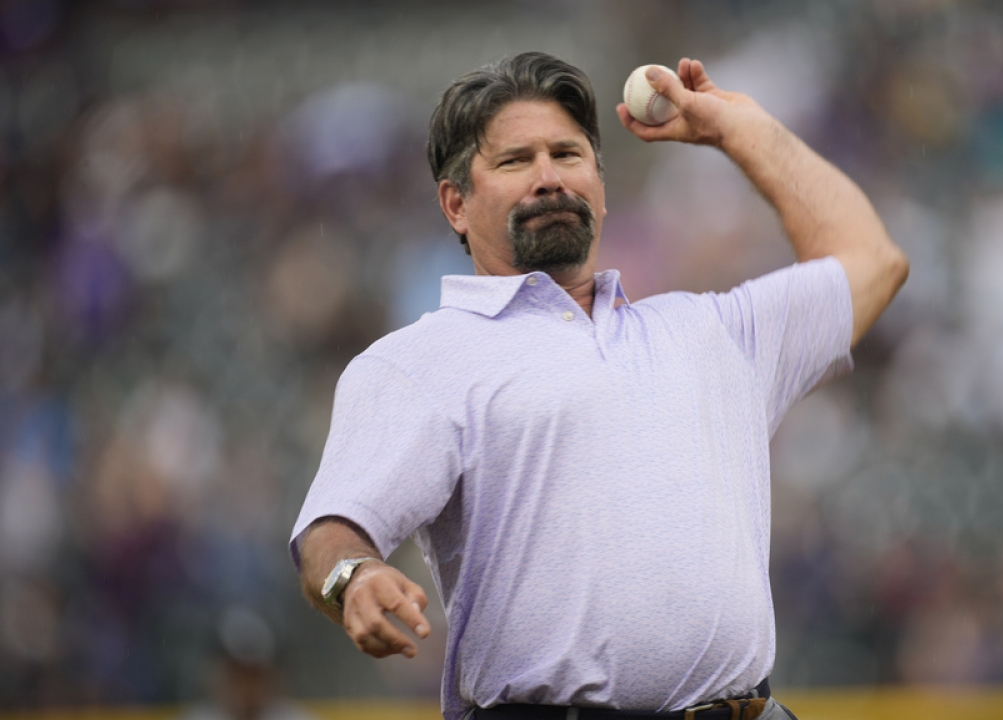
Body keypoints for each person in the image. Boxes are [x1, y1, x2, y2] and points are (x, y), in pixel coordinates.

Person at [290, 52, 908, 720]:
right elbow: (332, 528)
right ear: (455, 204)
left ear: (601, 188)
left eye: (568, 153)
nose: (549, 177)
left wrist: (743, 133)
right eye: (514, 161)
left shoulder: (708, 331)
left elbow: (873, 260)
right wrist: (354, 578)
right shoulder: (419, 361)